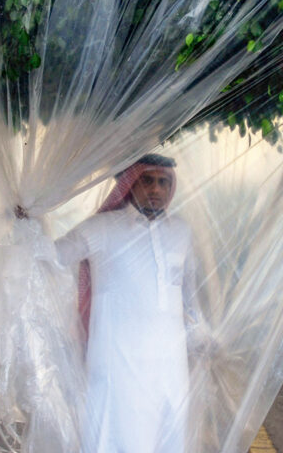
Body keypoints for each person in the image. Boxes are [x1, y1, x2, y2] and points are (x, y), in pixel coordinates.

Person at [55, 154, 205, 453]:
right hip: (116, 364)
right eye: (147, 180)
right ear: (129, 183)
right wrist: (24, 228)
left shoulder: (182, 233)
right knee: (117, 436)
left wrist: (202, 331)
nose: (156, 190)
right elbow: (52, 257)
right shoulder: (101, 229)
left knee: (169, 434)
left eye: (164, 182)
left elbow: (189, 291)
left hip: (169, 365)